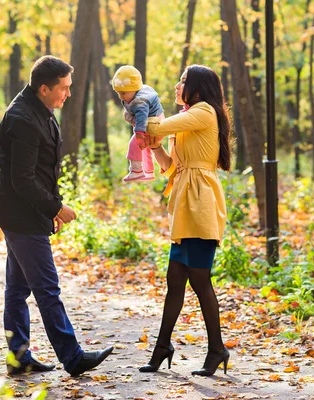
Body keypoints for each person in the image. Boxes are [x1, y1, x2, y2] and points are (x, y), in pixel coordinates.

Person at [0, 56, 113, 377]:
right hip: (20, 216)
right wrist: (56, 209)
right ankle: (72, 358)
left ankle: (19, 358)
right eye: (64, 88)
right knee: (47, 288)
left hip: (28, 213)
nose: (68, 94)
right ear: (44, 88)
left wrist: (51, 207)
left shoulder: (41, 110)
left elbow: (45, 171)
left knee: (17, 289)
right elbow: (23, 179)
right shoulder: (22, 119)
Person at [139, 65, 232, 376]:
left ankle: (217, 349)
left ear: (197, 87)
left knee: (200, 280)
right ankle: (162, 347)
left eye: (183, 81)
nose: (177, 85)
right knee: (175, 280)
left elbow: (155, 125)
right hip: (185, 204)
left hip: (201, 204)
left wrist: (140, 104)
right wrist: (156, 150)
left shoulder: (204, 112)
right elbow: (171, 167)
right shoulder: (188, 120)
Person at [111, 65, 164, 182]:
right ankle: (148, 171)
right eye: (118, 93)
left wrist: (139, 132)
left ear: (135, 89)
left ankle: (136, 171)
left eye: (123, 93)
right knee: (145, 148)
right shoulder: (139, 91)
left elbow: (142, 116)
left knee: (134, 145)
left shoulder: (140, 101)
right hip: (156, 121)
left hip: (153, 125)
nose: (121, 97)